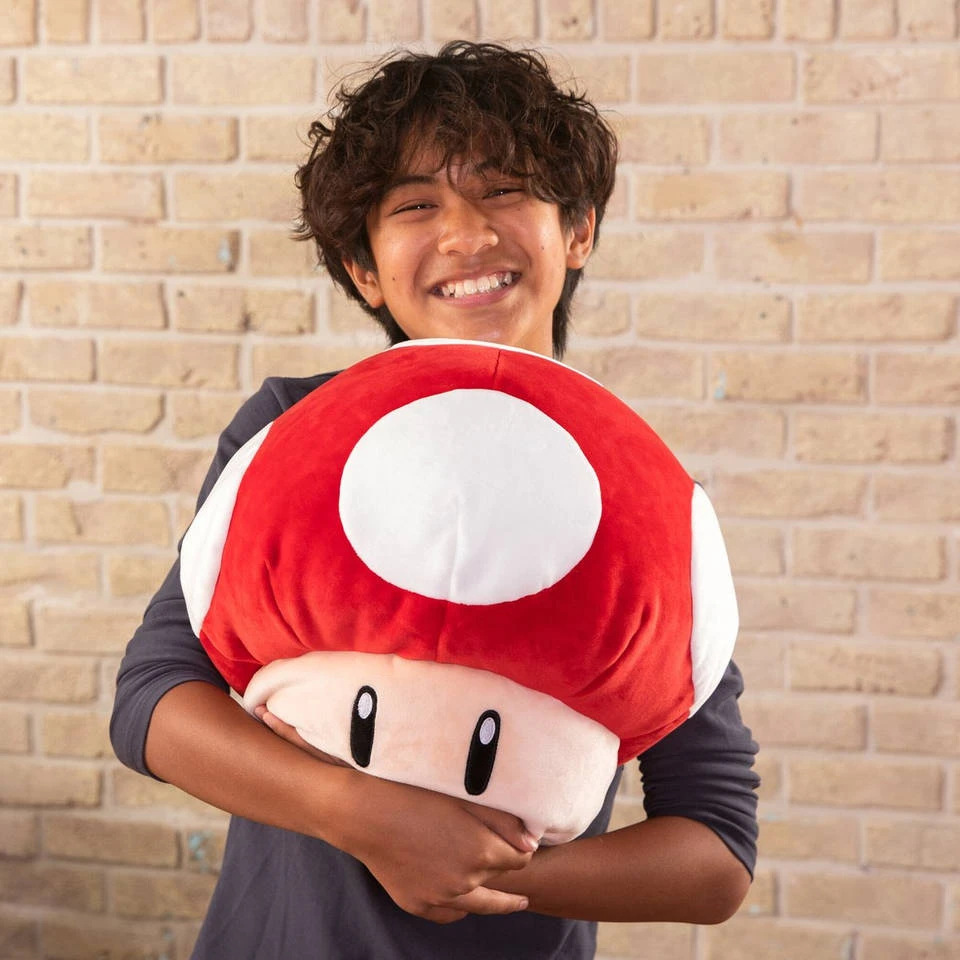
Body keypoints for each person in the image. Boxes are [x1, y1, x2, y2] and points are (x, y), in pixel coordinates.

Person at [111, 41, 759, 960]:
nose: (466, 235)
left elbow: (717, 850)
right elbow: (151, 702)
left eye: (505, 189)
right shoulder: (291, 431)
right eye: (416, 205)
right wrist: (359, 814)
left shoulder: (637, 491)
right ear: (363, 268)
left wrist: (489, 874)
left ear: (577, 230)